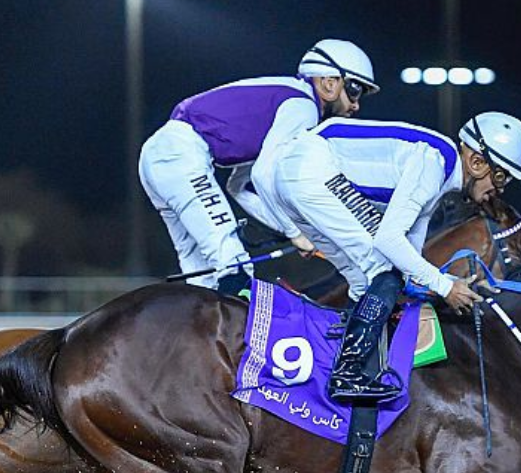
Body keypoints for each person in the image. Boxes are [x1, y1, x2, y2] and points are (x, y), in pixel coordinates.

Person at [254, 111, 521, 403]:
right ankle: (347, 372)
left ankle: (339, 356)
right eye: (501, 178)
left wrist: (453, 282)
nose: (499, 191)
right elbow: (389, 242)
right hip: (309, 171)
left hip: (296, 174)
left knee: (368, 278)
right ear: (477, 163)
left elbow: (410, 258)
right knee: (384, 271)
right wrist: (444, 287)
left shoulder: (438, 173)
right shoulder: (433, 166)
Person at [138, 39, 377, 291]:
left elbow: (239, 186)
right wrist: (295, 232)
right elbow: (264, 175)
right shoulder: (304, 106)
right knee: (235, 266)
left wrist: (290, 231)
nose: (356, 104)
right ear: (330, 83)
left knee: (203, 279)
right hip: (180, 154)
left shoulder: (287, 101)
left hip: (162, 155)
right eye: (354, 90)